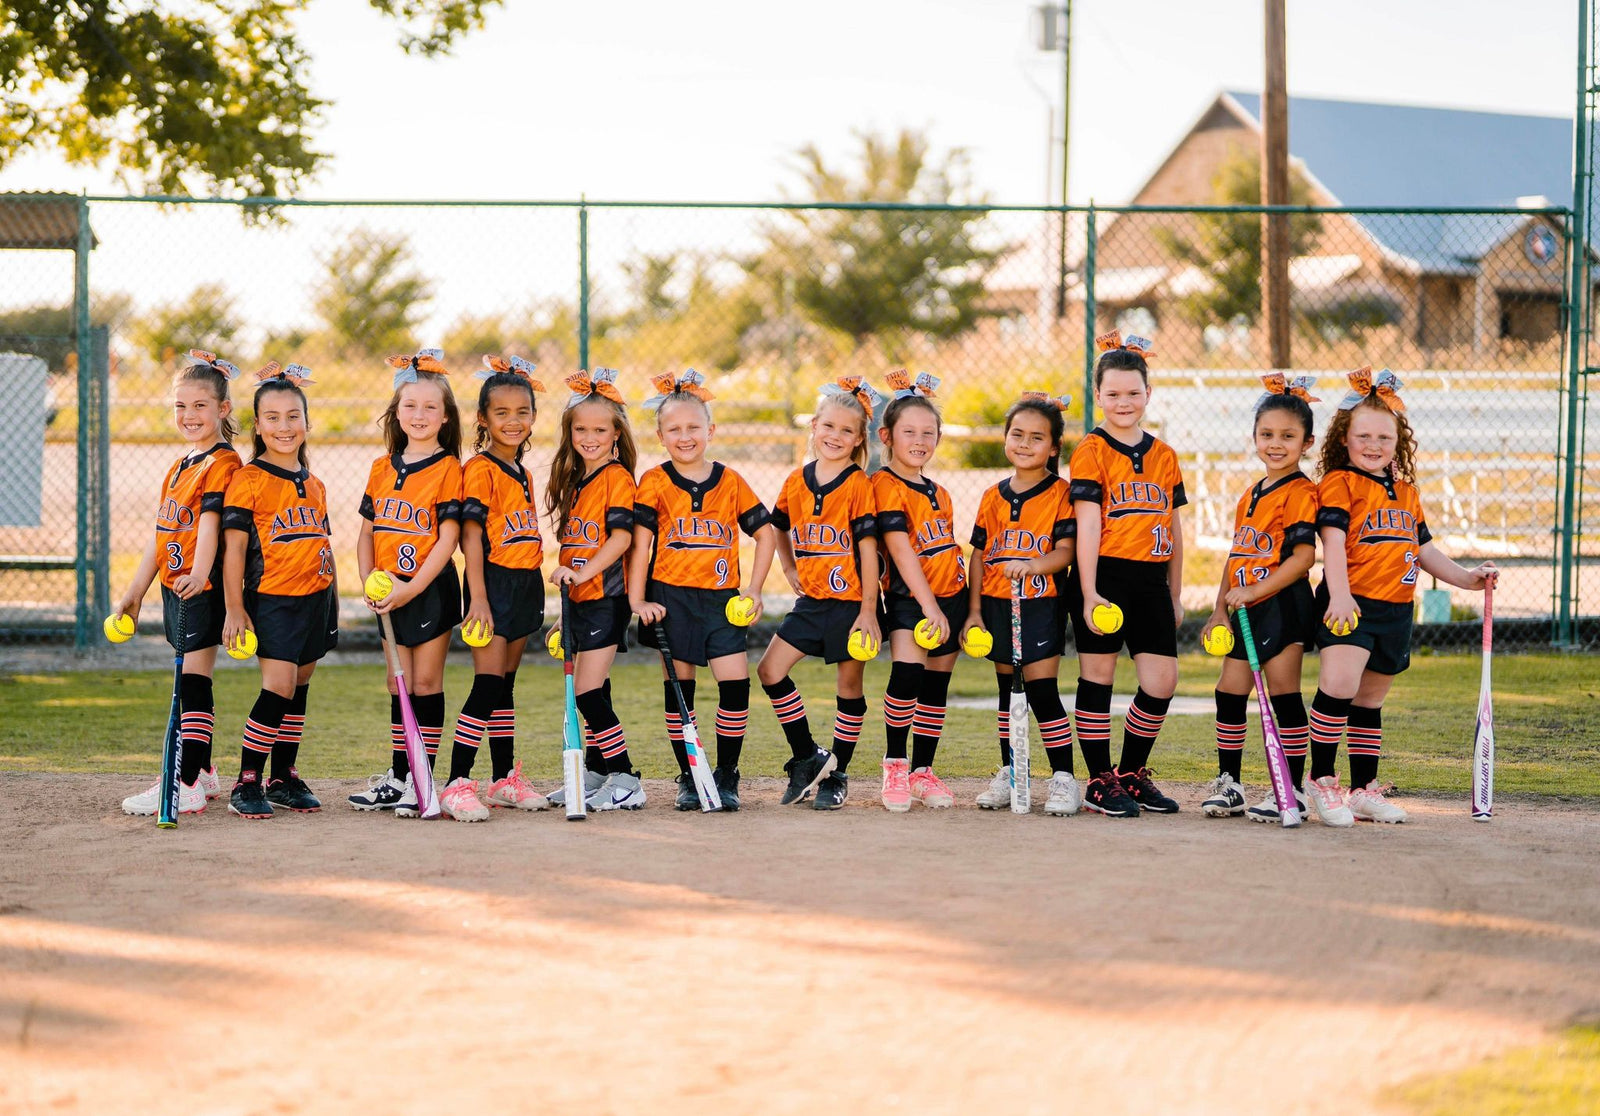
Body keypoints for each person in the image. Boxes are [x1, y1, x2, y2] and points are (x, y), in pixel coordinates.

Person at [1306, 367, 1497, 825]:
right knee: (1339, 688)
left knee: (1369, 701)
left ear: (1398, 442)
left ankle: (1362, 790)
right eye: (1363, 436)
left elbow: (1424, 550)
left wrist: (1468, 578)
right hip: (1351, 603)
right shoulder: (1339, 483)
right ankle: (1321, 781)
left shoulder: (1407, 493)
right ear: (1344, 439)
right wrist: (1339, 596)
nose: (1373, 445)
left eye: (1384, 438)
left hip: (1396, 609)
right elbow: (1332, 543)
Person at [629, 369, 778, 812]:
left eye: (693, 427)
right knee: (680, 690)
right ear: (660, 436)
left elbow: (766, 534)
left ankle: (727, 774)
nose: (685, 436)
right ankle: (691, 776)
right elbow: (640, 545)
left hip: (721, 600)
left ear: (710, 430)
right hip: (669, 599)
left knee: (735, 685)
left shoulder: (730, 481)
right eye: (674, 429)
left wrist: (754, 589)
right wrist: (638, 599)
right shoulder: (654, 482)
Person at [424, 355, 553, 821]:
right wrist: (478, 597)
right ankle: (457, 783)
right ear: (482, 418)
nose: (513, 421)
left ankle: (502, 780)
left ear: (534, 416)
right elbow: (471, 537)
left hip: (525, 582)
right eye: (502, 413)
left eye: (522, 412)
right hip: (492, 584)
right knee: (487, 684)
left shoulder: (523, 471)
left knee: (505, 686)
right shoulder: (480, 468)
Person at [117, 350, 243, 816]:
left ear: (223, 409)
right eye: (180, 406)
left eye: (200, 405)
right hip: (176, 586)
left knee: (192, 680)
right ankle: (202, 771)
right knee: (194, 678)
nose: (189, 415)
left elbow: (210, 525)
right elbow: (162, 534)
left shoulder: (223, 463)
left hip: (200, 588)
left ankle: (185, 781)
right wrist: (135, 593)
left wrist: (201, 573)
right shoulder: (180, 464)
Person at [1068, 330, 1186, 818]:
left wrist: (1174, 594)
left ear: (1148, 393)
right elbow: (1088, 525)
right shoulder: (1090, 450)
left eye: (1133, 392)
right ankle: (1099, 781)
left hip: (1151, 580)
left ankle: (1131, 773)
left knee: (1162, 680)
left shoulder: (1165, 455)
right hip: (1105, 576)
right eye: (1113, 393)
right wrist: (1089, 592)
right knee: (1098, 676)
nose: (1123, 402)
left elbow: (1174, 530)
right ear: (1097, 395)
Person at [347, 349, 469, 816]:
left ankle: (423, 779)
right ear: (396, 412)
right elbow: (366, 534)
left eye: (430, 407)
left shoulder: (449, 468)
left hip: (428, 589)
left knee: (424, 681)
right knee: (396, 683)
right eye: (410, 405)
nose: (419, 415)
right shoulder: (382, 467)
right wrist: (369, 582)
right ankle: (399, 777)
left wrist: (411, 589)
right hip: (388, 592)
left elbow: (448, 539)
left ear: (445, 416)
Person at [757, 376, 883, 811]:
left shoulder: (858, 484)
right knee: (770, 670)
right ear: (814, 426)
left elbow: (868, 550)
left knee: (848, 686)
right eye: (828, 426)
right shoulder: (796, 480)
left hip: (852, 604)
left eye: (847, 430)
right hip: (811, 602)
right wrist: (788, 566)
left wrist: (868, 611)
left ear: (859, 439)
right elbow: (777, 525)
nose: (835, 436)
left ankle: (838, 774)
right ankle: (809, 756)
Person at [1200, 374, 1319, 822]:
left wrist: (1253, 591)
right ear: (1254, 438)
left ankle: (1292, 789)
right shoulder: (1250, 494)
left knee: (1283, 694)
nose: (1276, 444)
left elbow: (1303, 558)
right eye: (1267, 434)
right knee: (1229, 692)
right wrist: (1220, 609)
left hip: (1283, 606)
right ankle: (1230, 784)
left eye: (1288, 436)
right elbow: (1237, 558)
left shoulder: (1301, 492)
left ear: (1307, 443)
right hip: (1245, 610)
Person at [220, 363, 335, 819]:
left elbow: (320, 542)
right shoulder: (248, 479)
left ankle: (283, 776)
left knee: (299, 686)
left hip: (317, 598)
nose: (284, 426)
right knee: (278, 687)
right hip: (273, 599)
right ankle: (247, 780)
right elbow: (233, 552)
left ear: (306, 422)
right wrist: (234, 608)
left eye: (293, 416)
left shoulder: (314, 483)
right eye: (272, 417)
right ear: (257, 425)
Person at [963, 393, 1079, 815]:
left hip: (1039, 603)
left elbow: (1065, 551)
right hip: (996, 604)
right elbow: (979, 555)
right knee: (1006, 692)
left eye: (1037, 437)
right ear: (1005, 438)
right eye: (1017, 434)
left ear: (1054, 447)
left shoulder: (1061, 493)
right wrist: (974, 612)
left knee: (1042, 691)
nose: (1025, 444)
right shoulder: (991, 495)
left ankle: (1064, 778)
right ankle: (1012, 771)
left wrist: (1032, 566)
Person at [548, 368, 644, 811]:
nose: (589, 438)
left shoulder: (617, 477)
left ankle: (626, 777)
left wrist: (583, 575)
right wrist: (565, 605)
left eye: (600, 430)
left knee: (586, 691)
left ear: (616, 433)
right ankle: (598, 771)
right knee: (594, 690)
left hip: (607, 598)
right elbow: (577, 547)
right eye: (581, 429)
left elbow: (620, 539)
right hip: (582, 601)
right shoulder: (577, 482)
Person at [872, 371, 966, 812]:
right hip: (913, 600)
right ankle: (895, 765)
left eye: (929, 433)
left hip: (953, 597)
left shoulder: (939, 492)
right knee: (907, 677)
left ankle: (922, 772)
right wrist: (930, 606)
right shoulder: (884, 485)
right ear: (887, 436)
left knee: (935, 687)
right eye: (909, 432)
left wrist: (957, 606)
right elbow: (899, 547)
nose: (919, 440)